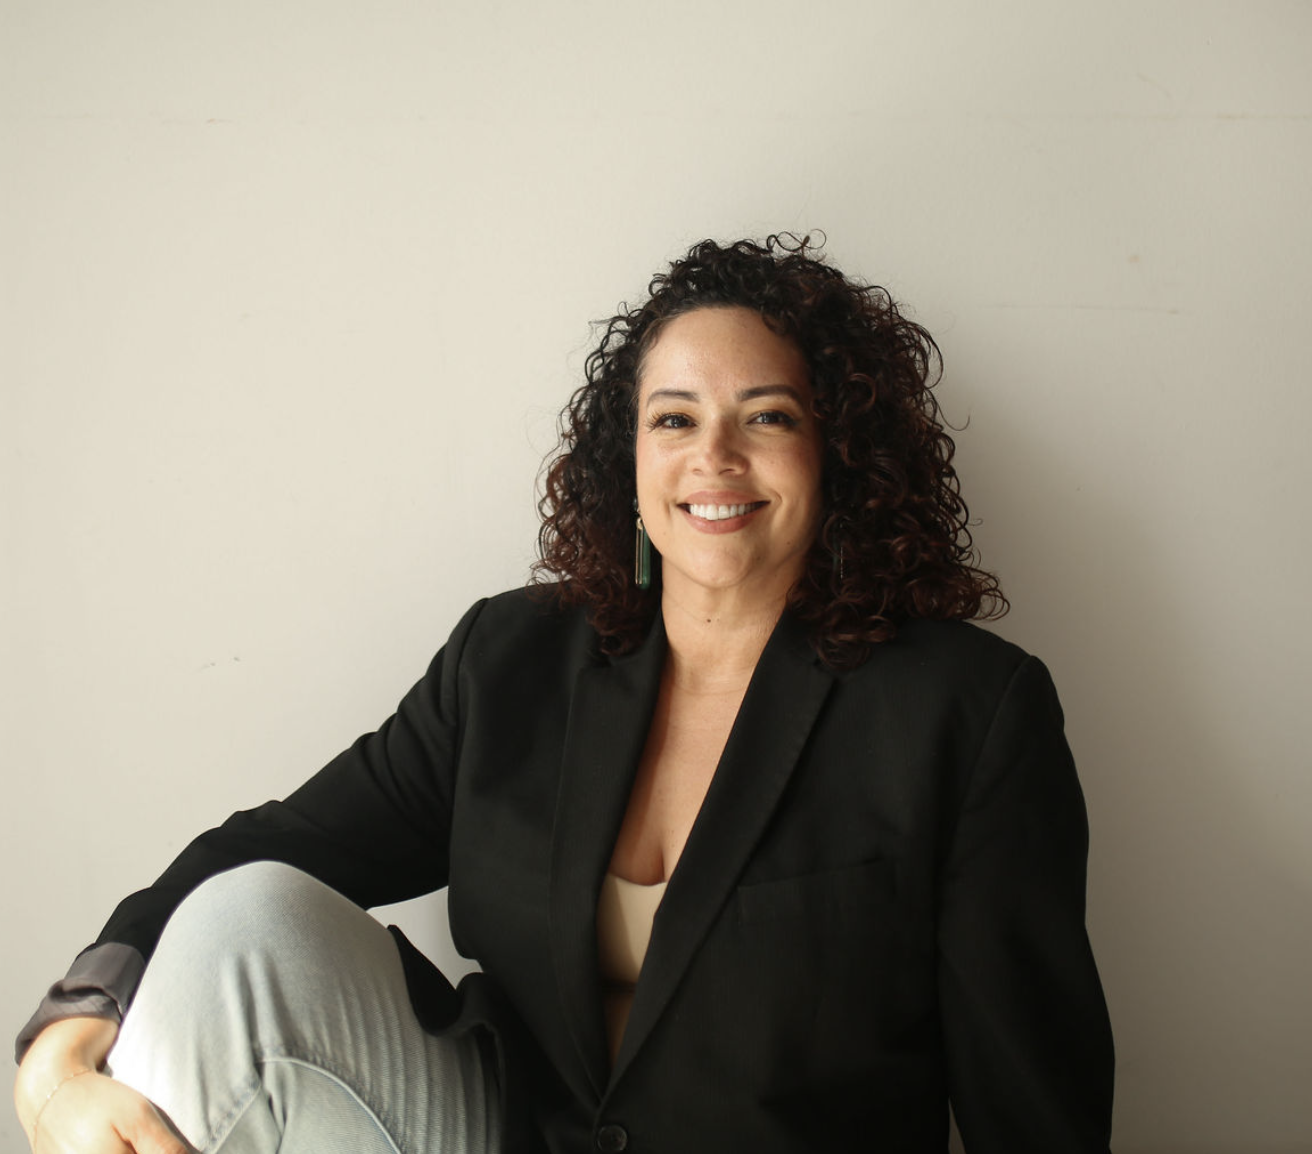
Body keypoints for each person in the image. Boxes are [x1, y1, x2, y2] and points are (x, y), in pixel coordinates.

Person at [14, 235, 1115, 1153]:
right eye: (674, 418)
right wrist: (63, 1046)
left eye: (768, 415)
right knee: (242, 921)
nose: (714, 457)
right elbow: (278, 850)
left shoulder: (966, 714)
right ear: (625, 460)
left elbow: (1031, 1097)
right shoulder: (513, 660)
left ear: (838, 454)